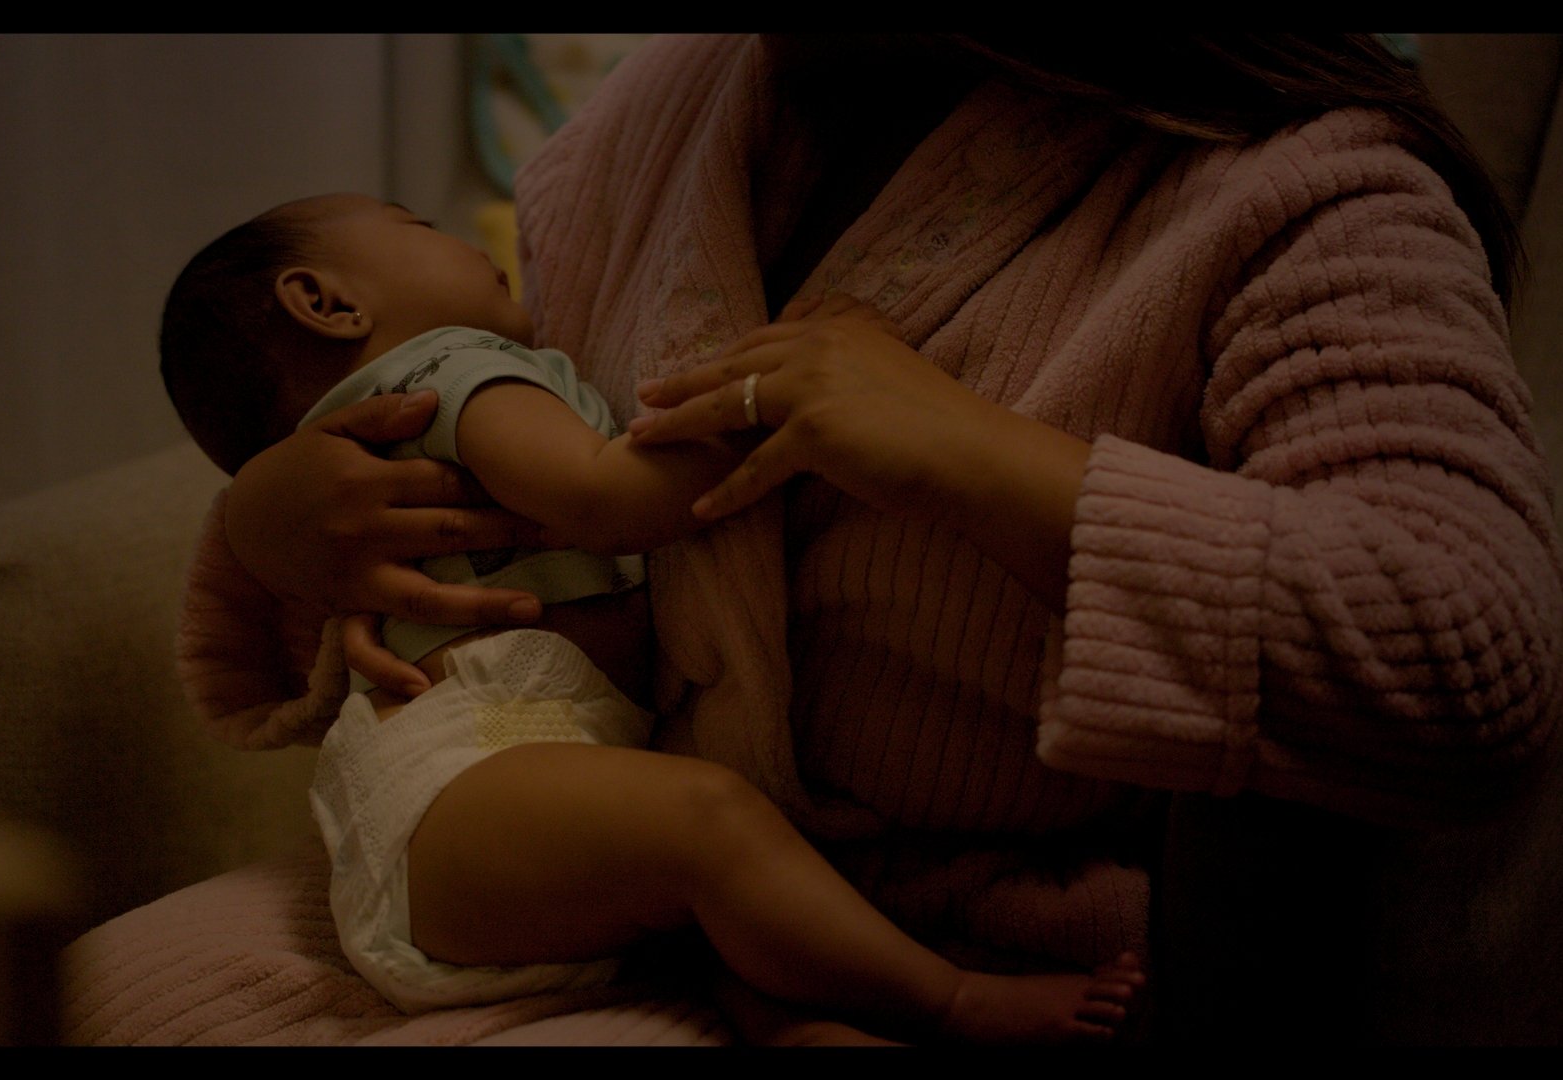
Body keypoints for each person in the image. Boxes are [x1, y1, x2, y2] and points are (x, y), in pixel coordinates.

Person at [196, 34, 1563, 1040]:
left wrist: (971, 457)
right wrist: (271, 511)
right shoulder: (678, 101)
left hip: (991, 965)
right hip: (638, 897)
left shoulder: (1304, 194)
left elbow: (1471, 658)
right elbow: (516, 474)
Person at [159, 191, 1143, 1043]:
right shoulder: (448, 371)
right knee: (706, 823)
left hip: (478, 801)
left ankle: (801, 1029)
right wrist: (779, 400)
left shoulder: (402, 413)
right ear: (325, 301)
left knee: (707, 909)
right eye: (416, 222)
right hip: (459, 779)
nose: (464, 234)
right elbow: (604, 496)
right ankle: (955, 1000)